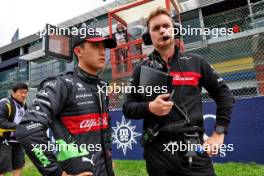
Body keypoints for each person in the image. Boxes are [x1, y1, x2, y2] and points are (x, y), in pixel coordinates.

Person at [123, 8, 235, 176]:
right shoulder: (140, 70)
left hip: (192, 147)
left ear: (175, 30)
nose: (162, 30)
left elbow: (225, 96)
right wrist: (149, 107)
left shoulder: (197, 62)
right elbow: (127, 107)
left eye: (166, 25)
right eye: (156, 28)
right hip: (156, 149)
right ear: (148, 37)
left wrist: (219, 133)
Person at [16, 27, 117, 176]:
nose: (102, 51)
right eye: (96, 46)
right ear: (78, 51)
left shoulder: (102, 86)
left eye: (104, 47)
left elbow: (104, 127)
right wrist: (56, 173)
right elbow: (28, 129)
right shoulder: (60, 84)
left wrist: (107, 156)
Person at [0, 82, 28, 176]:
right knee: (1, 168)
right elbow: (1, 122)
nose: (23, 95)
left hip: (18, 140)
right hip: (3, 140)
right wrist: (19, 127)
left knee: (18, 165)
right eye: (21, 92)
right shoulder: (4, 103)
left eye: (25, 92)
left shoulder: (24, 105)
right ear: (13, 92)